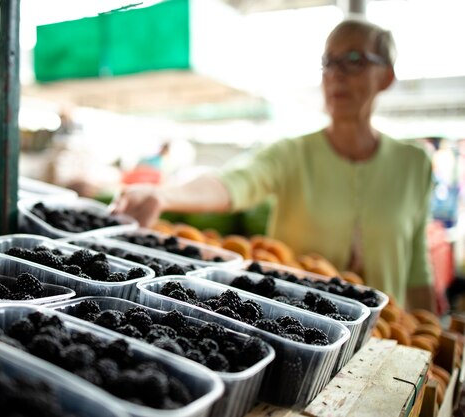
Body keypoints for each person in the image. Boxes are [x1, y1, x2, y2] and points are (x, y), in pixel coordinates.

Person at [113, 18, 436, 312]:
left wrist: (432, 331)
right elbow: (235, 183)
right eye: (328, 62)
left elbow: (417, 267)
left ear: (387, 76)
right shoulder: (291, 154)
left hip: (387, 335)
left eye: (354, 60)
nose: (336, 73)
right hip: (301, 325)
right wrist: (164, 196)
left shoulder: (413, 163)